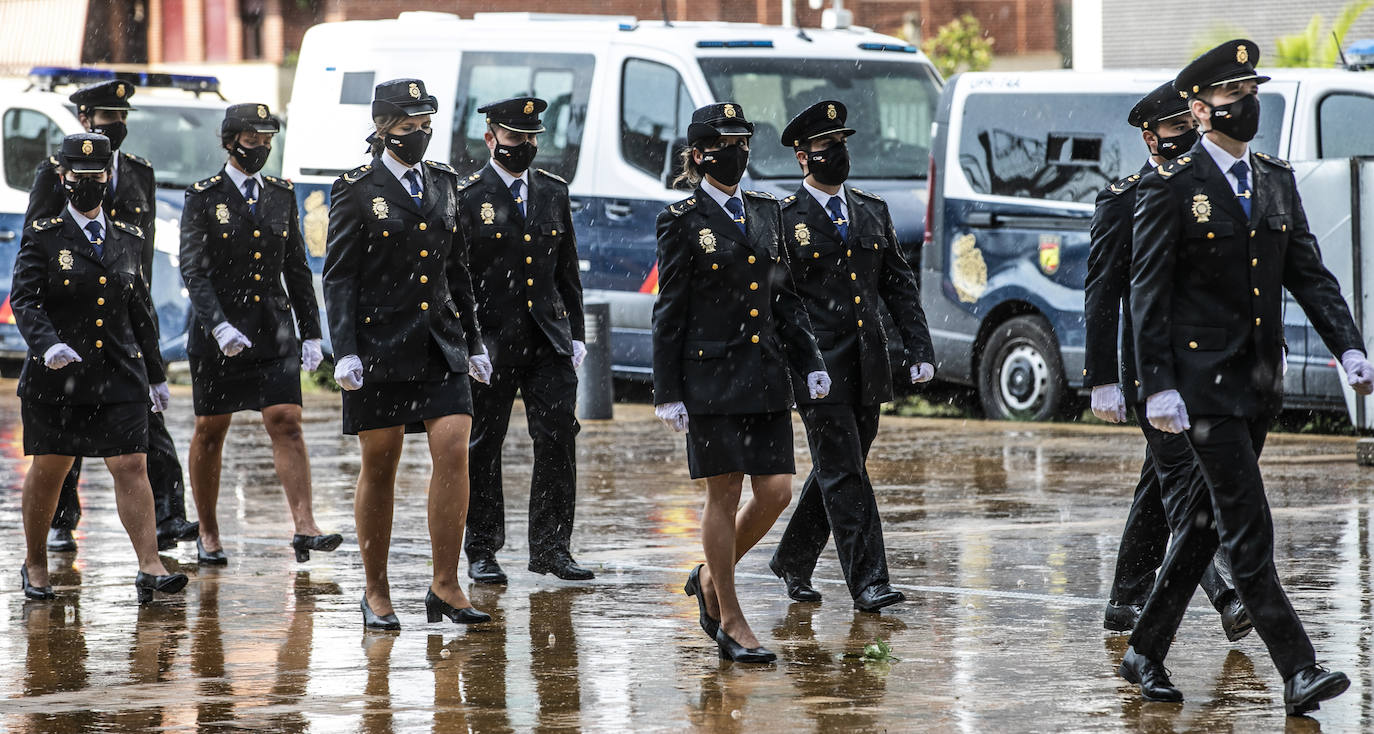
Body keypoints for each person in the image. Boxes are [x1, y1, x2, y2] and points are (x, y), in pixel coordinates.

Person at [1121, 40, 1374, 716]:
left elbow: (1311, 276)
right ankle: (1299, 668)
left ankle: (1145, 649)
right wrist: (1158, 386)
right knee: (1246, 526)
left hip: (1257, 385)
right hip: (1201, 392)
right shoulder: (1170, 188)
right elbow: (1147, 296)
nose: (1246, 104)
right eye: (1232, 96)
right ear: (1200, 110)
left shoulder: (1273, 178)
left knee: (1204, 524)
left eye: (1249, 91)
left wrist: (1349, 347)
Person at [653, 102, 830, 663]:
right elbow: (669, 311)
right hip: (710, 378)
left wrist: (811, 360)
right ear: (701, 154)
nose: (740, 152)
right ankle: (730, 617)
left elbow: (785, 297)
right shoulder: (681, 219)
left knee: (776, 491)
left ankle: (708, 577)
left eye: (745, 141)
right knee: (723, 494)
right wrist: (667, 391)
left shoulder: (766, 211)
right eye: (728, 142)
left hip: (765, 374)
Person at [1085, 81, 1251, 641]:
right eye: (1177, 129)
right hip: (1151, 370)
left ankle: (1124, 601)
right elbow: (1102, 293)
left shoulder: (1210, 186)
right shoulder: (1124, 197)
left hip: (1206, 366)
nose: (1190, 137)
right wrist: (1102, 378)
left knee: (1160, 483)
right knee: (1189, 486)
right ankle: (1230, 591)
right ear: (1149, 136)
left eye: (1191, 126)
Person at [324, 78, 492, 630]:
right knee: (382, 461)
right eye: (408, 126)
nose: (418, 134)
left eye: (425, 125)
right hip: (378, 344)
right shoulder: (354, 188)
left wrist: (474, 340)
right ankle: (376, 591)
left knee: (454, 447)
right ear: (382, 128)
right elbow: (340, 276)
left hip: (438, 339)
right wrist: (343, 351)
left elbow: (458, 268)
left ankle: (446, 583)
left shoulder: (444, 183)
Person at [768, 100, 935, 613]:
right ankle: (869, 582)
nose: (837, 153)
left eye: (841, 143)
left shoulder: (870, 209)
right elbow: (779, 298)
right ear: (803, 158)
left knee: (841, 468)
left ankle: (793, 559)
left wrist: (919, 346)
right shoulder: (783, 218)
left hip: (868, 363)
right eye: (826, 147)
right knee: (844, 472)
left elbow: (899, 286)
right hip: (817, 367)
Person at [25, 79, 199, 554]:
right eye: (107, 118)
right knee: (67, 436)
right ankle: (63, 520)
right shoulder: (53, 174)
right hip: (70, 319)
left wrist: (144, 329)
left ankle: (168, 516)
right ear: (85, 120)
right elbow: (37, 246)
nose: (117, 125)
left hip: (124, 317)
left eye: (121, 118)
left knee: (144, 427)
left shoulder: (139, 172)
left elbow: (137, 254)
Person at [179, 102, 339, 565]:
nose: (262, 148)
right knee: (211, 429)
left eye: (268, 139)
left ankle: (305, 527)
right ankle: (207, 530)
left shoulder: (280, 194)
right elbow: (194, 269)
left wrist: (312, 333)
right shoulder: (203, 197)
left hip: (272, 326)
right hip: (219, 329)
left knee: (285, 419)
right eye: (253, 140)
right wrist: (219, 324)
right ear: (231, 142)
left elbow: (296, 268)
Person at [459, 96, 592, 584]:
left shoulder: (552, 191)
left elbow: (566, 270)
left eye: (533, 138)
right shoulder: (469, 195)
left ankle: (552, 547)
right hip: (492, 340)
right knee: (483, 444)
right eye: (516, 138)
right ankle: (482, 548)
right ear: (491, 138)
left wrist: (576, 333)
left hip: (547, 338)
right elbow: (460, 276)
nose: (526, 147)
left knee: (558, 437)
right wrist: (468, 343)